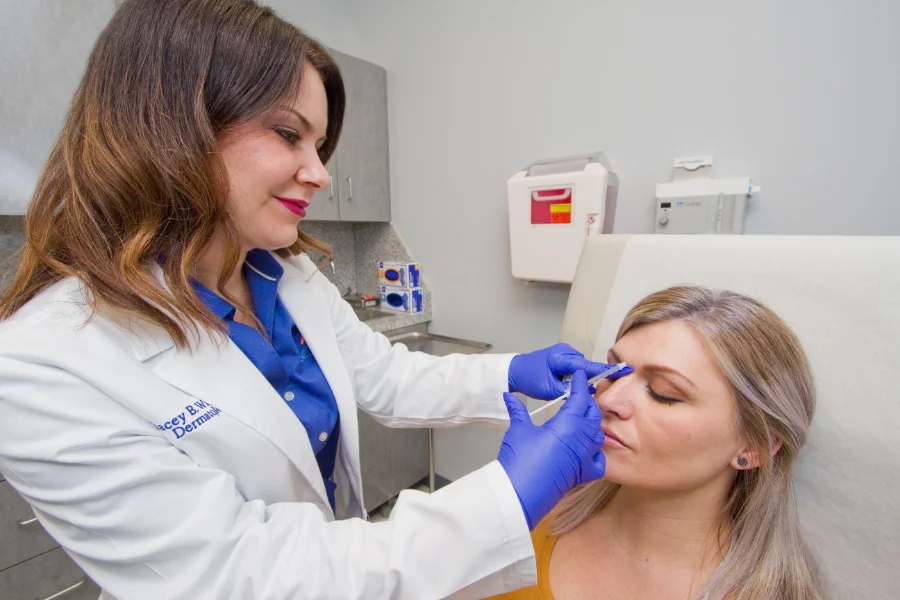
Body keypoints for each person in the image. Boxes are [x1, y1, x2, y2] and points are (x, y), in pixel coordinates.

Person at [0, 1, 628, 598]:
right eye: (287, 134)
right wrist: (502, 505)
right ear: (168, 125)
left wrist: (512, 374)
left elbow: (386, 377)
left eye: (318, 145)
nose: (321, 173)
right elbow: (240, 574)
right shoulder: (43, 364)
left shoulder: (286, 275)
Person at [490, 285, 827, 600]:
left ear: (756, 446)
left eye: (663, 394)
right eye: (612, 372)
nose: (608, 400)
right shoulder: (531, 515)